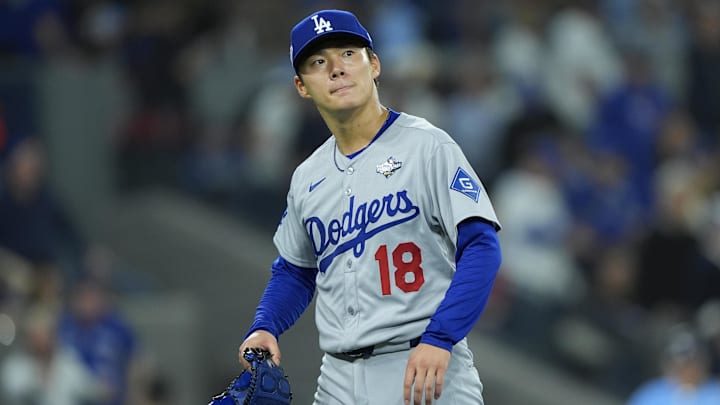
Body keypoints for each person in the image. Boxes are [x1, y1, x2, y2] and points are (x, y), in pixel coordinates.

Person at [237, 9, 502, 405]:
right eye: (318, 62)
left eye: (348, 53)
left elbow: (481, 246)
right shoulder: (307, 177)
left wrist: (441, 337)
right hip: (338, 378)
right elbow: (295, 270)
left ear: (374, 64)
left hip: (422, 363)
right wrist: (265, 326)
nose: (336, 69)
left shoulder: (427, 146)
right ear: (301, 86)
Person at [626, 326, 720, 405]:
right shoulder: (650, 394)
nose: (688, 368)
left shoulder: (716, 392)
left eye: (694, 359)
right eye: (682, 361)